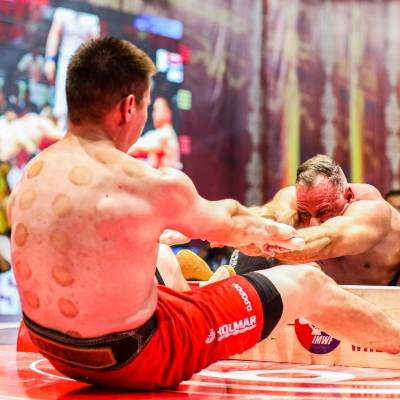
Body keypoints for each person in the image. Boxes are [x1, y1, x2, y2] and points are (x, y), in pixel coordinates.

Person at [8, 38, 400, 391]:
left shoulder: (33, 172)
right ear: (129, 107)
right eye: (146, 106)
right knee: (308, 281)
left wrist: (226, 231)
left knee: (163, 254)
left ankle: (202, 289)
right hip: (138, 359)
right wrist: (261, 236)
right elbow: (235, 223)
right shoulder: (147, 182)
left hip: (54, 350)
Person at [239, 154, 400, 286]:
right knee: (252, 244)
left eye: (324, 211)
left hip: (386, 292)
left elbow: (330, 240)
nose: (312, 223)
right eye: (305, 213)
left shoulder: (372, 209)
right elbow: (269, 215)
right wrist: (242, 229)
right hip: (323, 298)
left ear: (348, 195)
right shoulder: (295, 198)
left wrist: (266, 244)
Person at [128, 96, 181, 168]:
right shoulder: (157, 133)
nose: (153, 115)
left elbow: (137, 147)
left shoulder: (166, 134)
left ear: (168, 113)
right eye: (153, 111)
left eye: (156, 110)